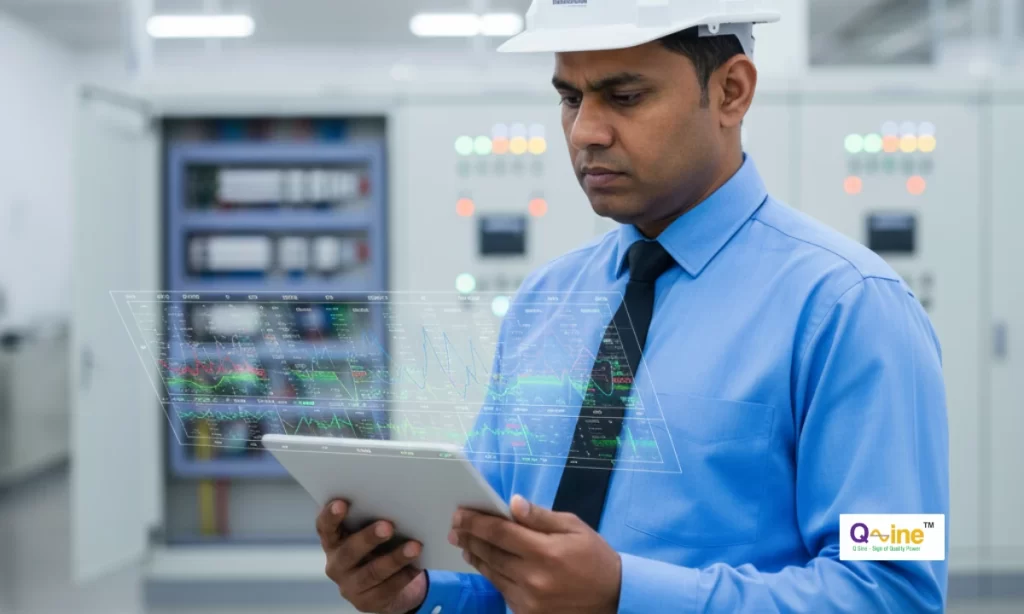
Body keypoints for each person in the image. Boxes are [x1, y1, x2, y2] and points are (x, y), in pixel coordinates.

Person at [317, 1, 950, 612]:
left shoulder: (850, 312)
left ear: (732, 91)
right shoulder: (547, 303)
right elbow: (495, 557)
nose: (586, 132)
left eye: (625, 97)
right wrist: (419, 593)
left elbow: (895, 590)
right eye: (570, 98)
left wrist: (625, 596)